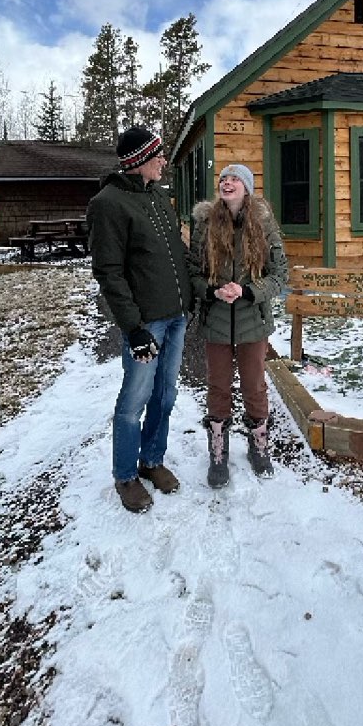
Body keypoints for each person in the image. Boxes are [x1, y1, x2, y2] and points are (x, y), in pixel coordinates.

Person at [87, 126, 192, 514]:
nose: (164, 161)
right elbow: (109, 273)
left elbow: (177, 254)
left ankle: (152, 460)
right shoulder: (108, 204)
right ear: (139, 161)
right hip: (147, 324)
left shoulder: (159, 196)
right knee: (134, 400)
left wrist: (194, 295)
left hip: (176, 317)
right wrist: (133, 329)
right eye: (157, 155)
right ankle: (126, 475)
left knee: (166, 396)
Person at [188, 163, 288, 488]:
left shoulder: (264, 224)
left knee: (254, 386)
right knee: (218, 386)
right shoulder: (205, 224)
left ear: (247, 188)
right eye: (223, 179)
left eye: (235, 179)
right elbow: (192, 273)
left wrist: (247, 291)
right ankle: (218, 453)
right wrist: (212, 291)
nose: (227, 183)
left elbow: (279, 275)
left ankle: (259, 446)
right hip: (215, 320)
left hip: (253, 321)